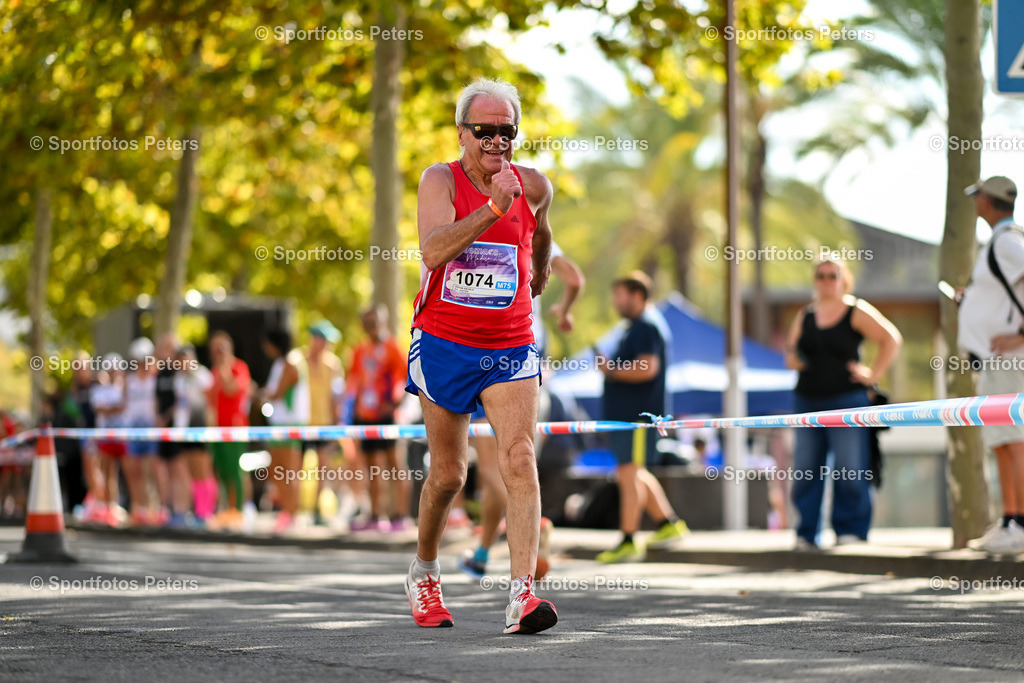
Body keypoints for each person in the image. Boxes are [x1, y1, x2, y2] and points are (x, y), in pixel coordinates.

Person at [404, 77, 557, 634]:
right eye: (484, 130)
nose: (496, 141)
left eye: (506, 131)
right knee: (448, 475)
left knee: (518, 458)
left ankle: (522, 595)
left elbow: (541, 230)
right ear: (462, 131)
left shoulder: (533, 184)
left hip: (511, 342)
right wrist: (493, 209)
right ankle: (424, 572)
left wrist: (539, 270)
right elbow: (434, 249)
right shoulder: (439, 180)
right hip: (445, 341)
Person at [459, 242, 584, 578]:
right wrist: (564, 310)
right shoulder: (537, 234)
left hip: (487, 349)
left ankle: (537, 522)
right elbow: (574, 278)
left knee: (489, 467)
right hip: (529, 359)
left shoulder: (482, 227)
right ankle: (483, 553)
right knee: (511, 463)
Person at [784, 257, 902, 551]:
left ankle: (850, 530)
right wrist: (793, 357)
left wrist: (872, 374)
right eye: (820, 275)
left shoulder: (856, 310)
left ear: (843, 280)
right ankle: (806, 533)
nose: (825, 281)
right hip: (807, 400)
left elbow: (891, 339)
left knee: (850, 468)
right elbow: (790, 348)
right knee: (806, 468)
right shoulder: (806, 314)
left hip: (848, 401)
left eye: (831, 276)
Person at [595, 272, 690, 564]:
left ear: (637, 296)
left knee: (628, 474)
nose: (615, 302)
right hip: (629, 418)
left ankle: (628, 539)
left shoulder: (646, 326)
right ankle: (668, 523)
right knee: (634, 472)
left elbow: (648, 367)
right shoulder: (637, 326)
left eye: (620, 296)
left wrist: (611, 370)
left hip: (636, 418)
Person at [959, 177, 1024, 554]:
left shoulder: (1007, 241)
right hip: (995, 360)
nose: (975, 203)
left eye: (978, 196)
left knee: (1015, 441)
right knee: (1002, 442)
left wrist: (1020, 336)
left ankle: (1020, 524)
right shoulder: (1000, 242)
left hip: (1010, 359)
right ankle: (1010, 521)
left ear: (987, 200)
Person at [346, 305, 411, 532]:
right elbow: (353, 382)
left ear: (383, 322)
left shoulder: (393, 348)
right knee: (372, 467)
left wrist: (394, 405)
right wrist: (352, 410)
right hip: (365, 416)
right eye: (366, 322)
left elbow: (408, 379)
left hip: (388, 416)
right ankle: (376, 515)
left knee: (395, 465)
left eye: (374, 321)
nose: (370, 326)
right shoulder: (359, 351)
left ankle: (401, 515)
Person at [260, 328, 309, 533]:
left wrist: (261, 395)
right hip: (279, 424)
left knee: (288, 470)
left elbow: (278, 393)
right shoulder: (281, 364)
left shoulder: (291, 362)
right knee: (277, 468)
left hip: (290, 425)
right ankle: (286, 511)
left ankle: (292, 512)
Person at [206, 331, 252, 532]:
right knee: (222, 471)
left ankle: (238, 510)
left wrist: (224, 369)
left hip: (235, 429)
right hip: (217, 429)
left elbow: (233, 389)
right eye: (214, 349)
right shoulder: (214, 372)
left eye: (221, 348)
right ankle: (226, 509)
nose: (217, 353)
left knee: (235, 471)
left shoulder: (239, 368)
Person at [304, 320, 344, 524]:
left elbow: (337, 398)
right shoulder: (299, 360)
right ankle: (293, 510)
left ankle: (317, 510)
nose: (328, 345)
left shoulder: (333, 364)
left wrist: (337, 424)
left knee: (323, 466)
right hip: (301, 423)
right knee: (295, 466)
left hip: (324, 423)